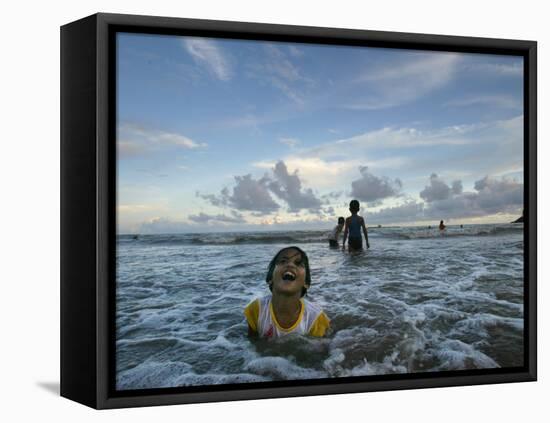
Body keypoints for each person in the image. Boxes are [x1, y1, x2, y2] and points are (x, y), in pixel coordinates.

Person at [244, 246, 330, 338]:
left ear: (306, 283)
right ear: (270, 278)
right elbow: (252, 345)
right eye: (283, 261)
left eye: (298, 263)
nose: (290, 265)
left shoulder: (315, 318)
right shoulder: (257, 310)